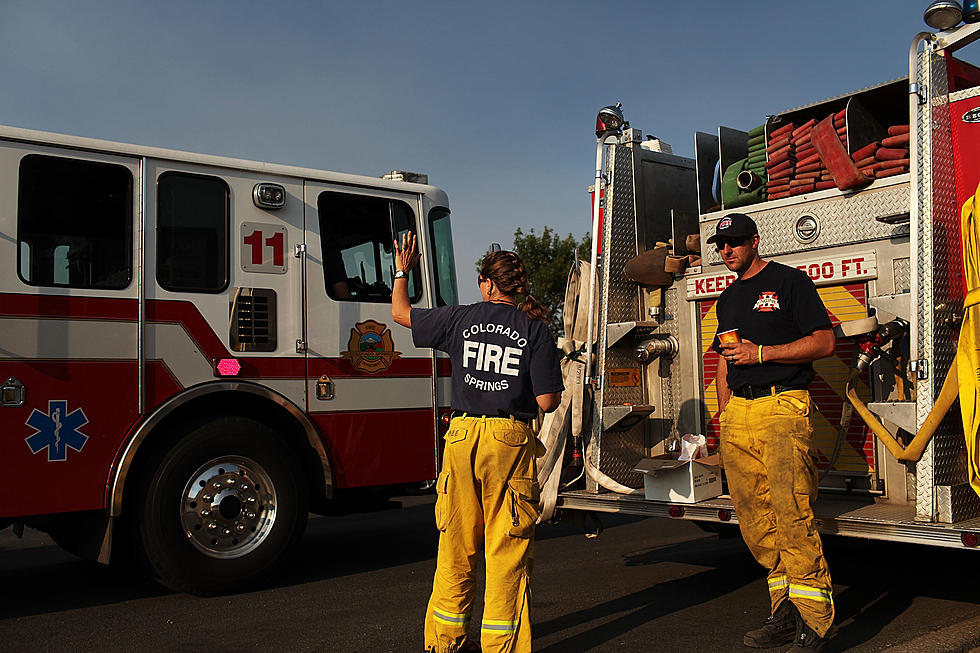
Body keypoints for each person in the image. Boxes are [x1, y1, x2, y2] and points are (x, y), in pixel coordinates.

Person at [391, 233, 563, 653]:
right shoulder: (535, 330)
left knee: (456, 544)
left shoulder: (459, 318)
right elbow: (547, 401)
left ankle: (445, 643)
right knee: (506, 550)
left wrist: (402, 271)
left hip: (462, 435)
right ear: (517, 286)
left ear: (488, 284)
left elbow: (400, 313)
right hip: (509, 438)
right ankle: (500, 647)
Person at [709, 213, 837, 652]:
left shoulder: (790, 283)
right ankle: (784, 610)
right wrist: (725, 413)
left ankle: (815, 622)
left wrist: (762, 353)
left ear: (755, 241)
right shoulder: (727, 299)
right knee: (756, 522)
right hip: (740, 416)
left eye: (735, 243)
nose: (727, 251)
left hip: (783, 405)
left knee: (792, 514)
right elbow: (725, 358)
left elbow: (823, 342)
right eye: (721, 245)